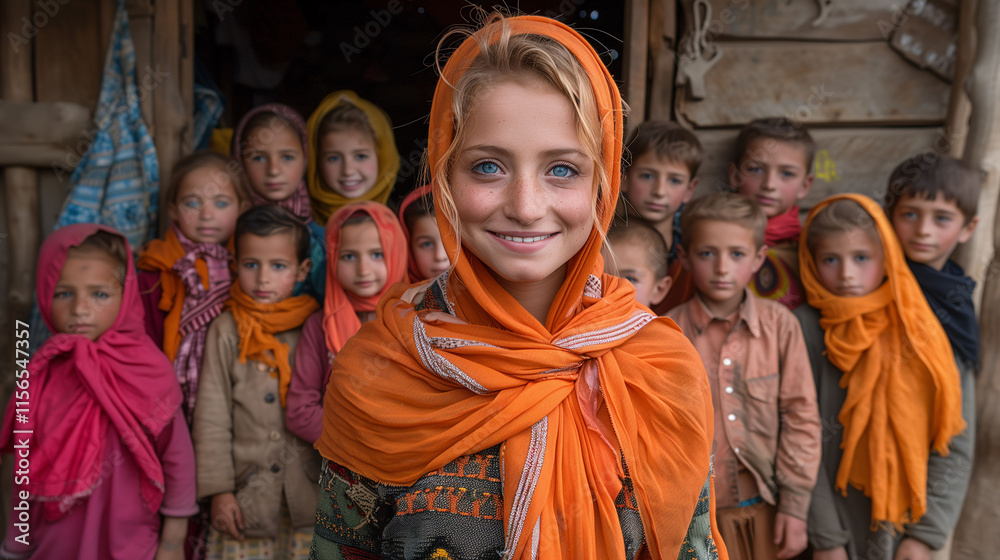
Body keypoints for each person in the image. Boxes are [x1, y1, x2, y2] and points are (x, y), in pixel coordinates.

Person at [308, 14, 725, 560]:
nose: (526, 207)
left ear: (602, 183)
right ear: (444, 174)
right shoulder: (379, 369)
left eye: (562, 170)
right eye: (487, 166)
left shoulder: (660, 369)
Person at [1, 224, 197, 559]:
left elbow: (177, 456)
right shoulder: (43, 373)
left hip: (132, 543)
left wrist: (172, 539)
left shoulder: (146, 369)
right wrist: (17, 544)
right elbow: (25, 464)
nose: (80, 309)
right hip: (55, 543)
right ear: (45, 295)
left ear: (127, 295)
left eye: (100, 294)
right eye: (64, 293)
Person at [793, 195, 968, 560]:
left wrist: (925, 536)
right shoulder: (803, 328)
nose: (846, 274)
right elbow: (795, 437)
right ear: (810, 263)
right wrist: (826, 538)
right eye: (829, 260)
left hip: (904, 528)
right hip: (827, 526)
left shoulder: (922, 328)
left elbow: (955, 440)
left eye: (862, 258)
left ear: (887, 257)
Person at [666, 193, 821, 560]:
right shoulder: (668, 332)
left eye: (736, 255)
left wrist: (796, 506)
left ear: (758, 259)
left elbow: (802, 416)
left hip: (767, 507)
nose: (722, 268)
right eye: (707, 254)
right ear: (685, 258)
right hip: (695, 518)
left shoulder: (781, 326)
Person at [193, 205, 321, 560]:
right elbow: (212, 416)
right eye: (251, 265)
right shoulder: (226, 330)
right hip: (245, 496)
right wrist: (219, 491)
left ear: (302, 269)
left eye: (278, 266)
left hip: (309, 494)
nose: (263, 278)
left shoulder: (315, 326)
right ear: (235, 266)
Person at [884, 154, 980, 559]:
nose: (923, 230)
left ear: (968, 228)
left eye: (941, 218)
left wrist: (926, 535)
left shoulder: (954, 308)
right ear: (890, 216)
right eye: (910, 214)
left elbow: (957, 435)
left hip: (914, 506)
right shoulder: (864, 288)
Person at [137, 150, 250, 423]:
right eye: (192, 203)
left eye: (221, 203)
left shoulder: (249, 267)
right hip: (169, 405)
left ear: (242, 208)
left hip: (240, 402)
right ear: (173, 210)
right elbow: (144, 344)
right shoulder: (154, 273)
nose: (207, 214)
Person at [286, 201, 408, 443]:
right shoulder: (319, 327)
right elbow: (300, 412)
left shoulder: (416, 319)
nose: (363, 269)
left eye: (377, 254)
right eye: (349, 256)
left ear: (396, 254)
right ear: (332, 260)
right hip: (342, 465)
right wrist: (359, 446)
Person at [232, 103, 327, 300]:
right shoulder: (223, 231)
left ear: (305, 158)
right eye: (258, 158)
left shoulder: (320, 240)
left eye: (287, 157)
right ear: (239, 161)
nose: (273, 170)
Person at [729, 117, 815, 310]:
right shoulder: (710, 241)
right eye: (756, 169)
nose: (769, 185)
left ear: (805, 185)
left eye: (786, 174)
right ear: (734, 176)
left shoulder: (810, 251)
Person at [618, 120, 701, 314]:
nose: (659, 191)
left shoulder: (692, 253)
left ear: (690, 189)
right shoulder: (600, 244)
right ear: (624, 178)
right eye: (647, 176)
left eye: (674, 180)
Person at [305, 90, 400, 224]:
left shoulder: (404, 224)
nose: (348, 170)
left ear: (382, 157)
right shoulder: (300, 224)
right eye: (334, 158)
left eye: (361, 156)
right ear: (316, 161)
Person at [602, 217, 672, 309]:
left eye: (629, 279)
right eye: (600, 278)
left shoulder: (663, 324)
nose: (610, 290)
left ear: (659, 289)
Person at [398, 184, 452, 281]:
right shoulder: (399, 295)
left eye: (451, 241)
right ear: (408, 245)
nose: (440, 256)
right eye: (426, 244)